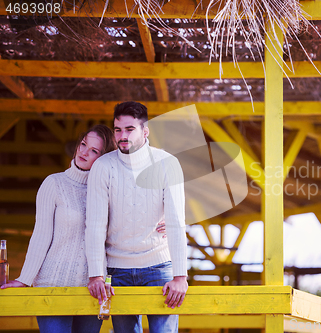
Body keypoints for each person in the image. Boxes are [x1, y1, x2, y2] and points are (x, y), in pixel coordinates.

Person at [0, 125, 116, 333]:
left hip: (92, 290)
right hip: (52, 285)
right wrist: (25, 279)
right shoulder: (54, 183)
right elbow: (41, 236)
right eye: (83, 145)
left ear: (104, 158)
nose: (83, 152)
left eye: (94, 151)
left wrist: (158, 223)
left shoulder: (108, 192)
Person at [85, 101, 188, 333]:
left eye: (130, 129)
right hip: (116, 271)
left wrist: (180, 276)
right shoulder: (102, 167)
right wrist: (96, 275)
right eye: (118, 129)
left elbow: (175, 222)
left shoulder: (167, 163)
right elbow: (94, 225)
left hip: (159, 267)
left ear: (145, 130)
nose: (123, 136)